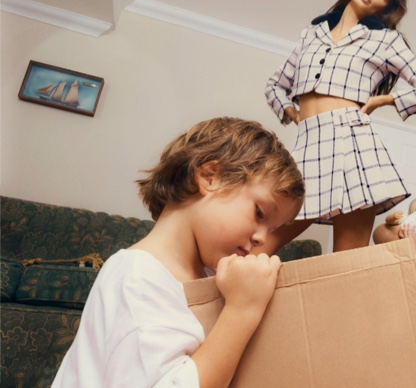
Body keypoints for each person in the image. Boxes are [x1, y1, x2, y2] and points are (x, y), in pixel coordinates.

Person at [52, 117, 305, 387]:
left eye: (272, 230)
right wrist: (242, 311)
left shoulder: (213, 279)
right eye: (260, 213)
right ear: (210, 177)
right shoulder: (136, 278)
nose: (261, 238)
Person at [264, 0, 416, 253]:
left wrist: (385, 100)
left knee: (345, 263)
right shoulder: (310, 35)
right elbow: (274, 86)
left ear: (385, 6)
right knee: (260, 242)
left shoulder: (385, 40)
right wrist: (294, 114)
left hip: (352, 143)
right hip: (308, 143)